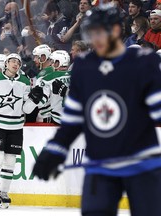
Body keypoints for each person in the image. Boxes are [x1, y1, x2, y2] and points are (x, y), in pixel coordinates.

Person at [33, 3, 161, 215]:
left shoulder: (144, 62)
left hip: (142, 164)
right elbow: (74, 119)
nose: (96, 38)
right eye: (91, 33)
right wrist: (56, 149)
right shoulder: (85, 67)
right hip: (100, 164)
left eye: (100, 32)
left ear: (117, 30)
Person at [0, 53, 43, 209]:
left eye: (18, 62)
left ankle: (4, 192)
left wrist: (34, 100)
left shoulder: (24, 81)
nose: (16, 64)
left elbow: (25, 108)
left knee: (11, 160)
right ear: (6, 63)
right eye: (12, 61)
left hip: (15, 126)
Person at [41, 50, 71, 125]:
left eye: (53, 62)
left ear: (59, 62)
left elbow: (41, 102)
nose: (51, 64)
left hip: (56, 118)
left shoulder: (48, 77)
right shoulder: (76, 75)